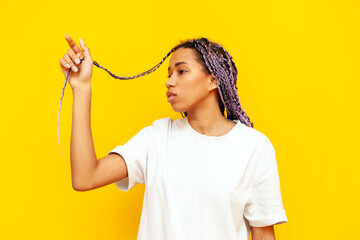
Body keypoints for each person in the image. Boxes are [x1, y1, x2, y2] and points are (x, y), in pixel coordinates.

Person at [59, 34, 288, 240]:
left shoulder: (254, 147)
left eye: (181, 71)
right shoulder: (157, 138)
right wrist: (81, 88)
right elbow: (85, 178)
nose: (169, 81)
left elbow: (263, 236)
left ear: (213, 79)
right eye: (169, 74)